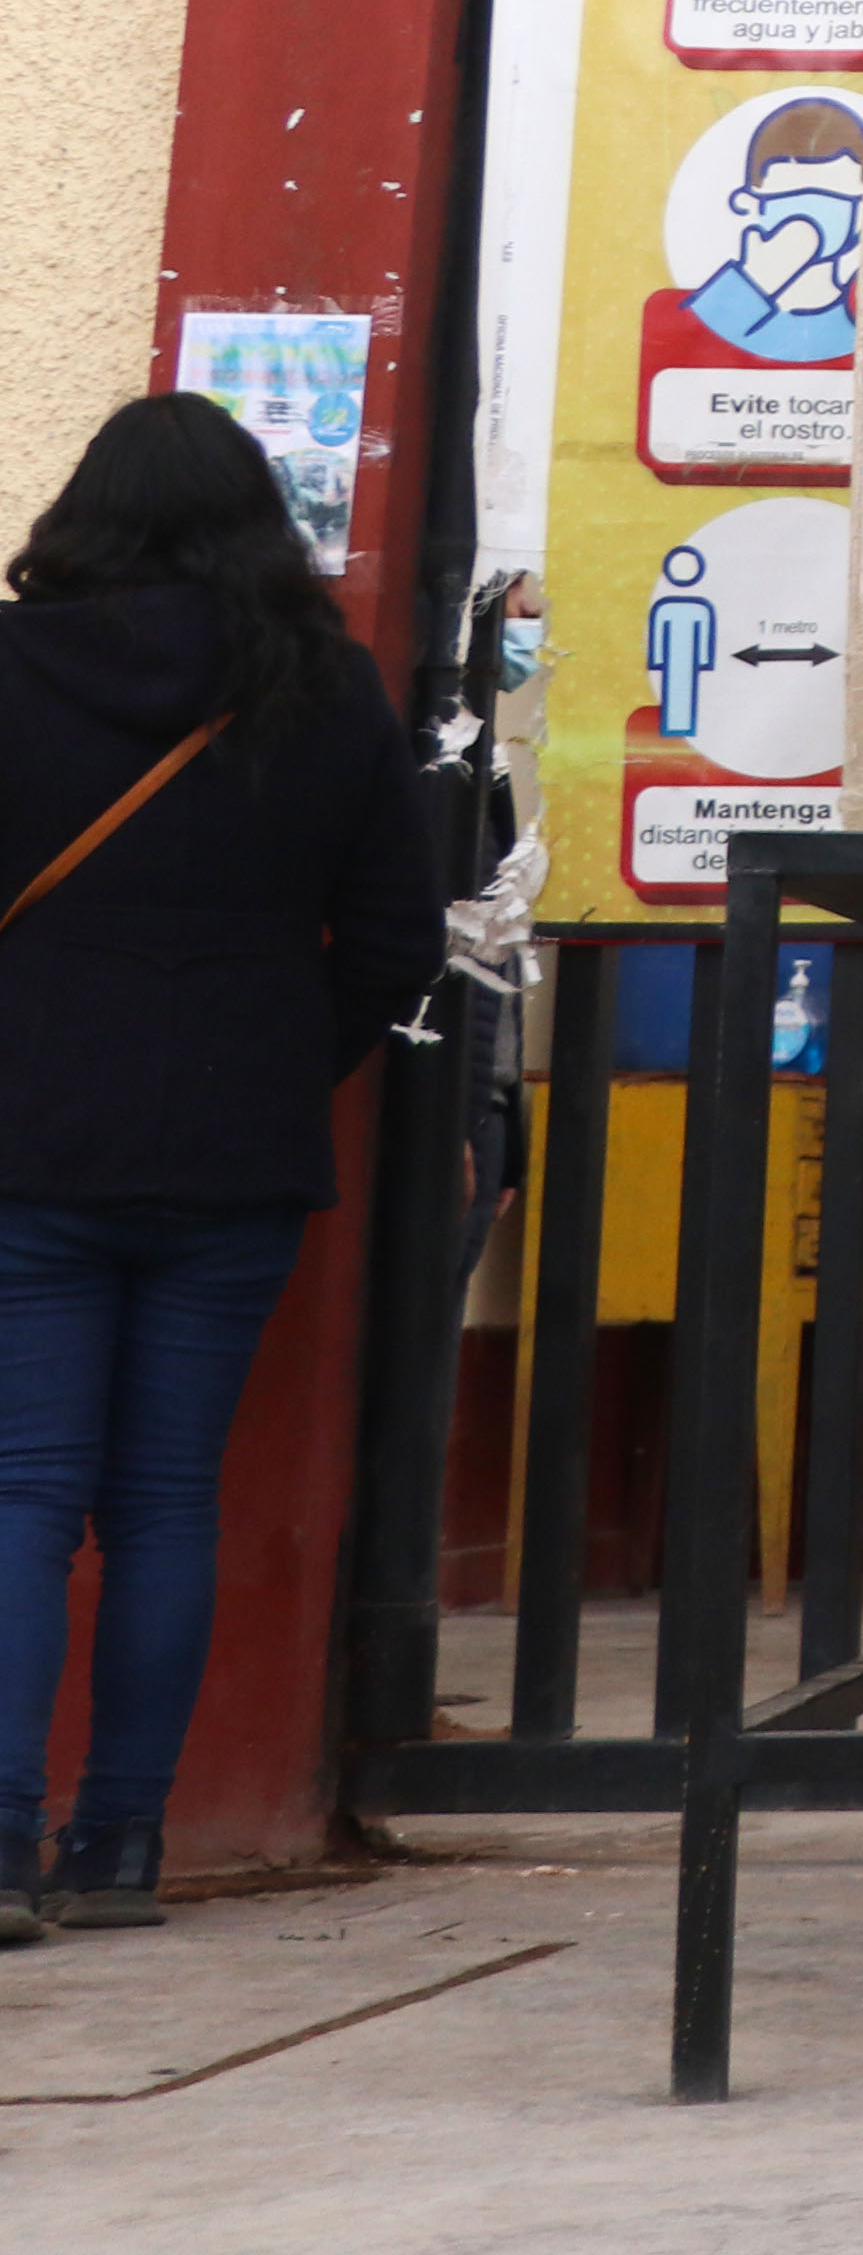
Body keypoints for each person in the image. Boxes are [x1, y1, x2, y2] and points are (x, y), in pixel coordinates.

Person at [0, 395, 444, 1935]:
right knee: (166, 1499)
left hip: (30, 1142)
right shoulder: (321, 690)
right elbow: (398, 934)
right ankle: (122, 1845)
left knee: (24, 1491)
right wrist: (276, 1065)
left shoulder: (11, 668)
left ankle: (1, 1842)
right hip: (235, 1157)